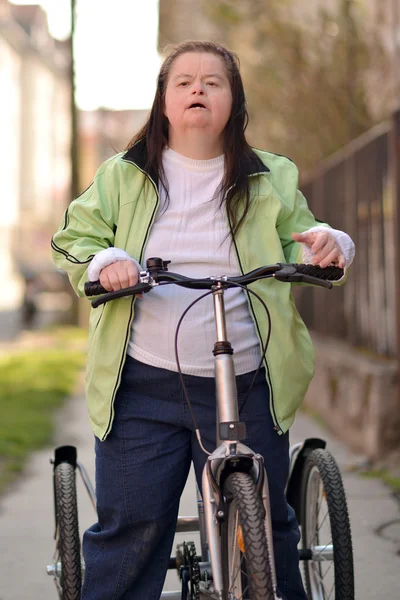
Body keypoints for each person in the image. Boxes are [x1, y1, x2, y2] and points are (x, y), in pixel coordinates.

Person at [51, 40, 355, 600]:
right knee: (133, 531)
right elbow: (75, 239)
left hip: (247, 382)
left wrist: (332, 245)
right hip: (143, 385)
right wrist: (107, 261)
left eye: (213, 82)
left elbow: (309, 237)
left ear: (234, 102)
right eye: (184, 82)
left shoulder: (271, 176)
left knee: (270, 528)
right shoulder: (125, 175)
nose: (198, 89)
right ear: (164, 103)